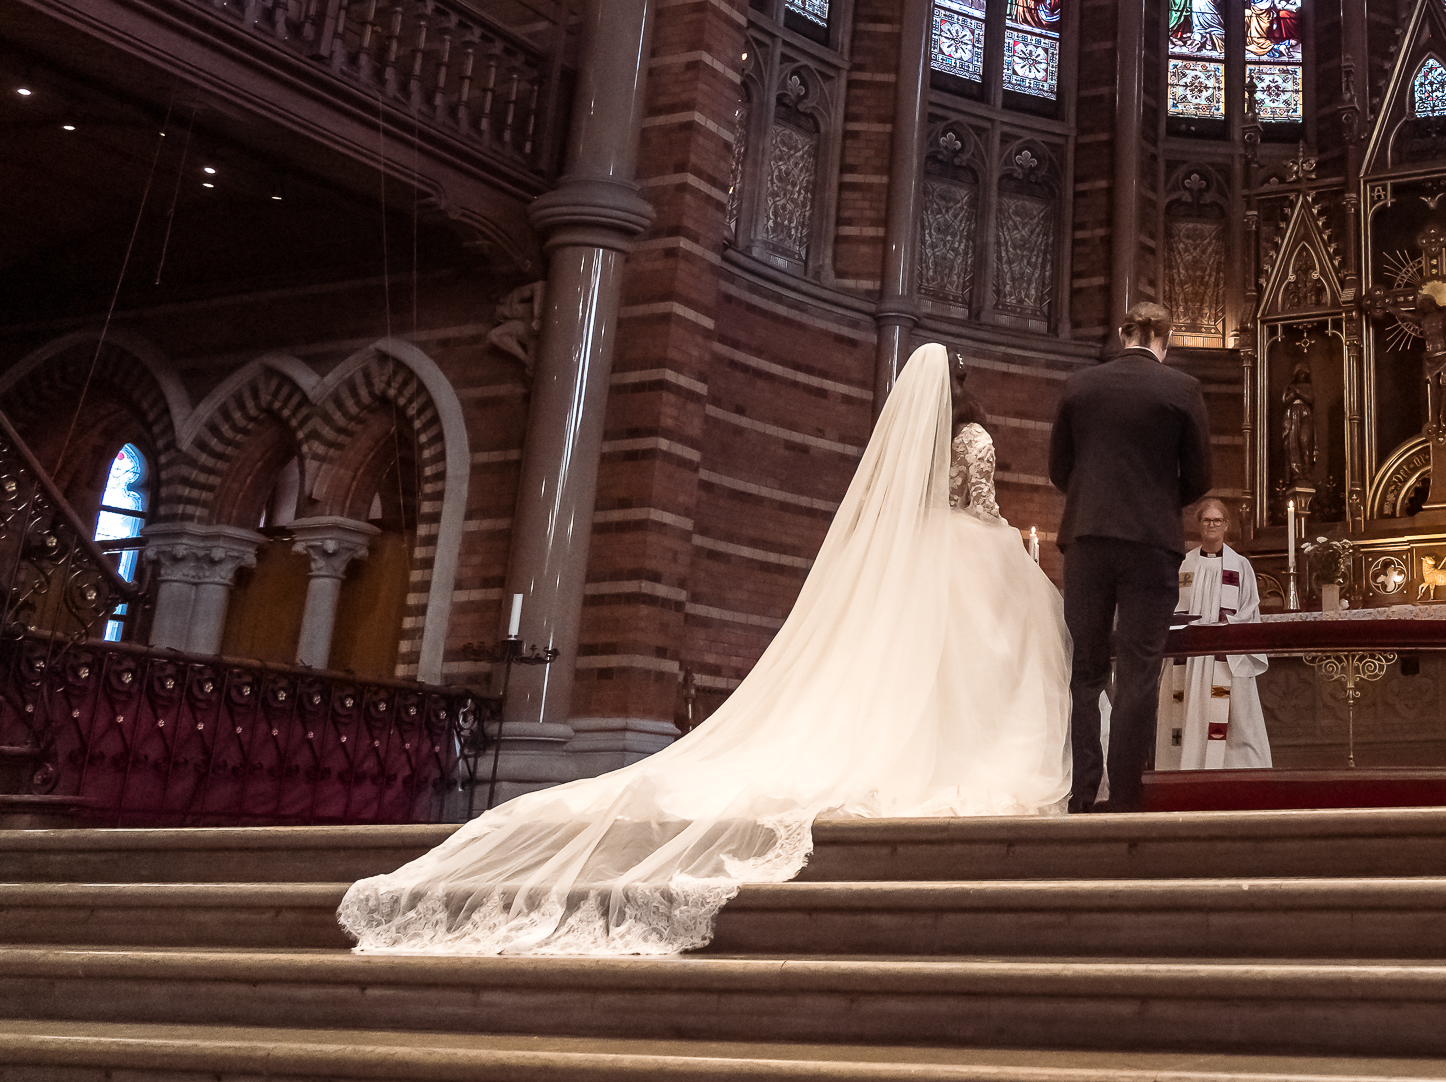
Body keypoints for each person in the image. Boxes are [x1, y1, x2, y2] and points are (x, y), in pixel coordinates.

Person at [336, 344, 1067, 956]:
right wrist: (1016, 555)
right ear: (962, 385)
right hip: (966, 560)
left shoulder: (908, 448)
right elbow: (982, 508)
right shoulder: (973, 438)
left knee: (898, 675)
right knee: (970, 667)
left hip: (910, 565)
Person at [1049, 301, 1214, 812]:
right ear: (1166, 340)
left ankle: (1081, 794)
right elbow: (1201, 475)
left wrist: (1093, 506)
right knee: (1139, 672)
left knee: (1087, 668)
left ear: (1123, 335)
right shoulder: (1182, 390)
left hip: (1088, 540)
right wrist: (1160, 503)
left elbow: (1060, 467)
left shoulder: (1079, 385)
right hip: (1151, 544)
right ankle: (1124, 796)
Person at [1156, 500, 1270, 771]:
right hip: (1190, 657)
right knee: (1186, 712)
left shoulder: (1240, 565)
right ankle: (1186, 766)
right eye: (1206, 520)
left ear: (1226, 525)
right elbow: (1168, 603)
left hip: (1225, 655)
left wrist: (1227, 624)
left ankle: (1234, 771)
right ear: (1199, 525)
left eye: (1217, 521)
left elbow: (1250, 607)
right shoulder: (1184, 564)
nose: (1212, 525)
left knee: (1233, 715)